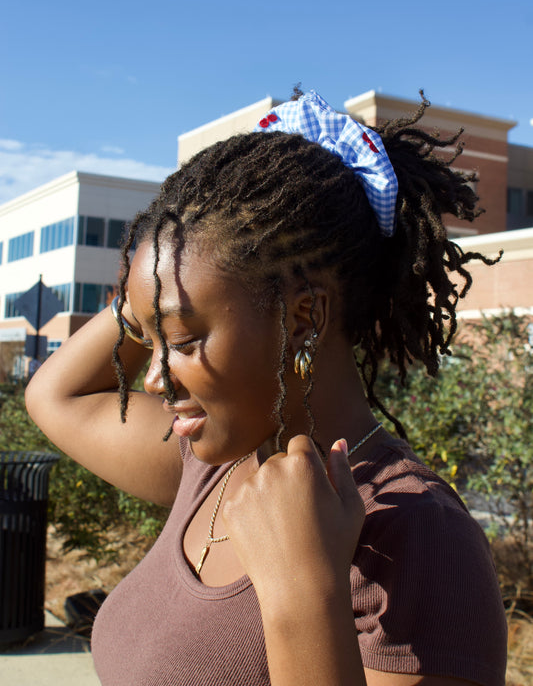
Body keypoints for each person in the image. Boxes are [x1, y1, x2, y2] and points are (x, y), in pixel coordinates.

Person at [26, 90, 508, 686]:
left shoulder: (417, 534)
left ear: (304, 318)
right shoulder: (211, 464)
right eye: (148, 342)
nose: (152, 378)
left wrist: (301, 589)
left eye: (183, 341)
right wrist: (157, 282)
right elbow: (55, 396)